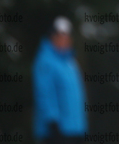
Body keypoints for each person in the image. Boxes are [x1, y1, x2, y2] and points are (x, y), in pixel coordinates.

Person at [32, 16, 87, 144]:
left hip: (75, 130)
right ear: (53, 37)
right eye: (60, 36)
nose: (64, 40)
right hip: (57, 132)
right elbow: (44, 93)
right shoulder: (46, 61)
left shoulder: (70, 62)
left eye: (67, 37)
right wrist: (52, 122)